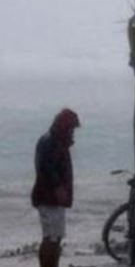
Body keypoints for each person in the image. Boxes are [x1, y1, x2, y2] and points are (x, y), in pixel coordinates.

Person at [31, 108, 80, 267]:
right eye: (71, 129)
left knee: (55, 237)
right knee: (51, 237)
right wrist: (58, 187)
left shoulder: (53, 141)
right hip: (49, 198)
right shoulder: (51, 142)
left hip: (51, 198)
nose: (72, 133)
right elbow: (47, 168)